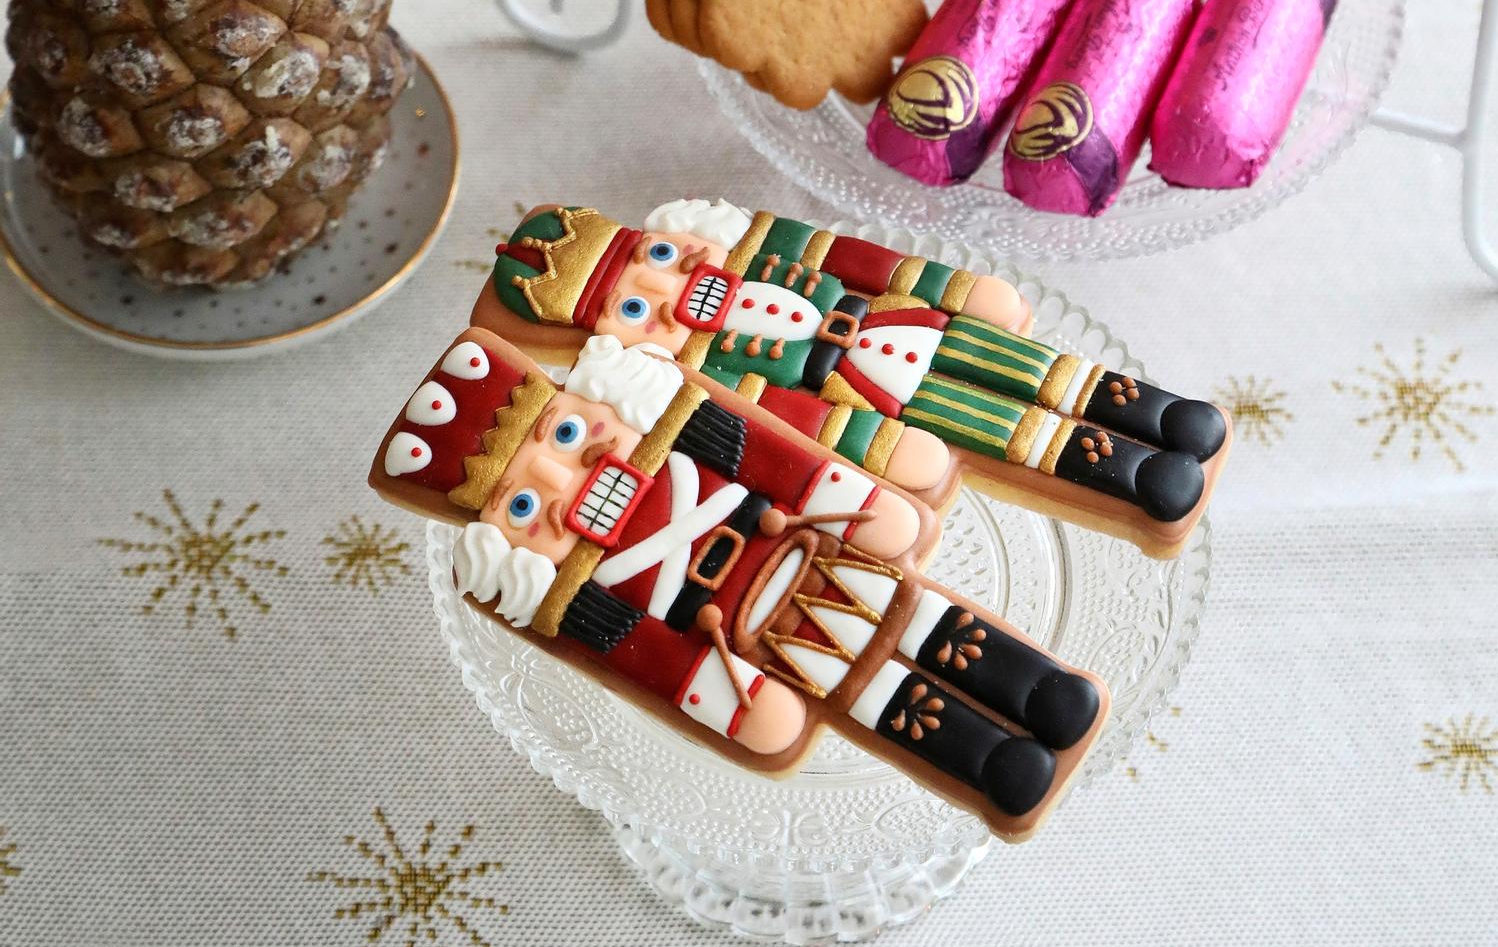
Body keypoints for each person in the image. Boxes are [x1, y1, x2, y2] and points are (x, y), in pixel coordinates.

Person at [373, 326, 1105, 836]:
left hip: (819, 555)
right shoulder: (583, 599)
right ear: (502, 537)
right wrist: (728, 701)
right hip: (761, 648)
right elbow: (645, 655)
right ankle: (987, 759)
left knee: (929, 622)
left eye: (562, 434)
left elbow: (777, 462)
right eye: (522, 505)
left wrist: (852, 502)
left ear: (596, 404)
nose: (569, 480)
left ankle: (1036, 687)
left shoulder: (695, 431)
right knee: (872, 697)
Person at [475, 199, 1227, 542]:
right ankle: (1126, 468)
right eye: (636, 311)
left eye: (658, 260)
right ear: (610, 338)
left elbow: (856, 261)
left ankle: (1155, 415)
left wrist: (951, 289)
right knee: (1006, 427)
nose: (671, 293)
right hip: (870, 395)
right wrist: (868, 443)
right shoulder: (699, 378)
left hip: (908, 320)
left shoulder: (757, 243)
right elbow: (781, 419)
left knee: (1042, 372)